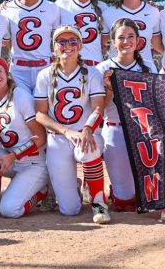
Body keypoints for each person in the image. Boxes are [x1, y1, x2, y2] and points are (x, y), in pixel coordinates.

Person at [33, 25, 111, 224]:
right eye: (61, 42)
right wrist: (66, 131)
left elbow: (98, 108)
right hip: (59, 138)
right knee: (69, 210)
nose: (67, 46)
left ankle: (98, 202)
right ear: (54, 47)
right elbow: (40, 114)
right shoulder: (45, 75)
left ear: (80, 45)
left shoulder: (91, 73)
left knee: (88, 150)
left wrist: (87, 130)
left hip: (85, 134)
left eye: (72, 41)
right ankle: (75, 186)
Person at [0, 56, 48, 218]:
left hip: (33, 163)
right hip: (10, 160)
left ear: (7, 73)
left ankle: (42, 192)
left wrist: (14, 155)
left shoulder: (21, 97)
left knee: (10, 210)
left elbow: (40, 137)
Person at [96, 19, 151, 213]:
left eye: (130, 37)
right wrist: (109, 89)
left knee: (148, 198)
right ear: (112, 41)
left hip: (143, 133)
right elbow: (97, 109)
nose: (126, 41)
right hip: (115, 129)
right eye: (120, 37)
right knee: (124, 202)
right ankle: (113, 190)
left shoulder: (148, 68)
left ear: (138, 41)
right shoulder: (102, 68)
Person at [2, 0, 62, 95]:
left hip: (44, 67)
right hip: (18, 69)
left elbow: (57, 39)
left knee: (43, 107)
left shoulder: (52, 8)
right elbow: (6, 41)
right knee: (21, 107)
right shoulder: (8, 8)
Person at [56, 0, 112, 68]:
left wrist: (148, 5)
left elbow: (105, 40)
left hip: (95, 66)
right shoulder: (61, 5)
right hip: (68, 65)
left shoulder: (103, 7)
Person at [107, 0, 164, 67]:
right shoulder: (108, 13)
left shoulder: (153, 12)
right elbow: (102, 44)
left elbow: (157, 44)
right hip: (116, 69)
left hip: (144, 70)